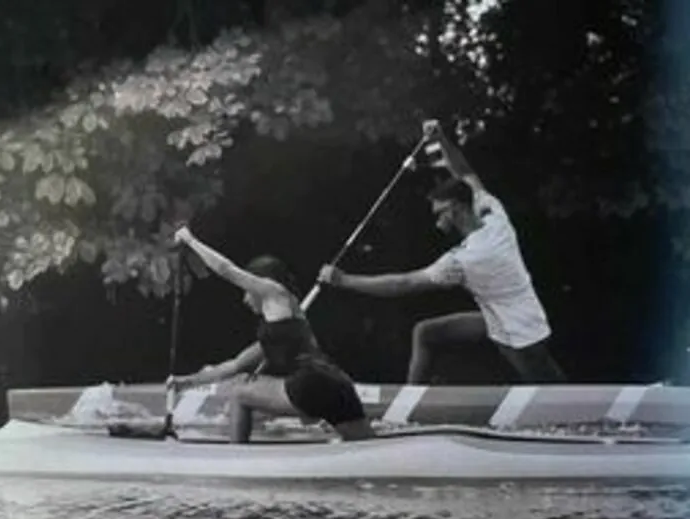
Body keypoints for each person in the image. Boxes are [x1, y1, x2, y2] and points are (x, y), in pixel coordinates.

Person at [318, 121, 566, 385]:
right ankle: (409, 405)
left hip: (519, 331)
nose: (437, 223)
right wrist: (441, 140)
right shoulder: (493, 214)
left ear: (455, 209)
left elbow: (404, 283)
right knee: (426, 333)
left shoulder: (464, 259)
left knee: (551, 389)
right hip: (504, 314)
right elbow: (465, 173)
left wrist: (343, 280)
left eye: (439, 214)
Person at [167, 226, 374, 443]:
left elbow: (226, 269)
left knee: (239, 393)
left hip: (311, 383)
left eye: (246, 290)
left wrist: (191, 240)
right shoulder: (282, 329)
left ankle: (235, 460)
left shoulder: (275, 293)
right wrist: (186, 382)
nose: (245, 299)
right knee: (366, 444)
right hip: (338, 383)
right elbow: (232, 366)